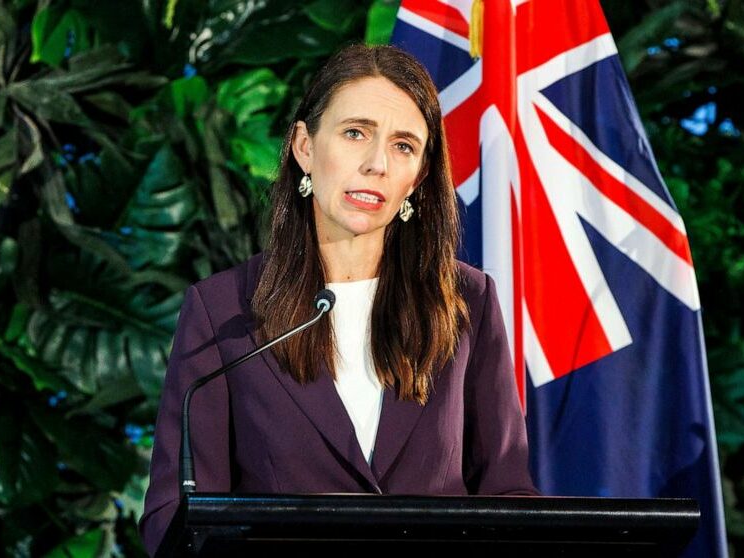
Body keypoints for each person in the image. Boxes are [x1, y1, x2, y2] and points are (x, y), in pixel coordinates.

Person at [139, 43, 537, 555]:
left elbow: (508, 496)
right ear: (305, 147)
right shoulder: (223, 312)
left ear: (418, 177)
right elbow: (173, 515)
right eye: (355, 133)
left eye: (403, 146)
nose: (377, 164)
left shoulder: (468, 302)